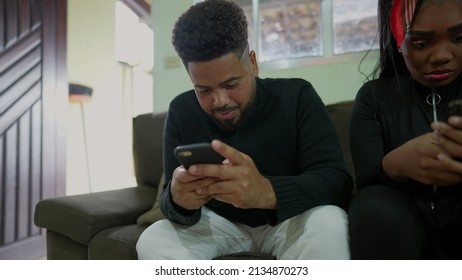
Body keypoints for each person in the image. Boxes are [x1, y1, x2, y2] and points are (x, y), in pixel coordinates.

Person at [136, 0, 352, 260]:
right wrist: (177, 199)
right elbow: (170, 201)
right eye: (204, 90)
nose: (220, 101)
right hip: (218, 225)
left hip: (288, 222)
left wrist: (266, 192)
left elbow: (336, 181)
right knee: (154, 238)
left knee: (329, 223)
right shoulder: (182, 110)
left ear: (253, 63)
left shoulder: (297, 96)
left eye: (231, 84)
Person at [349, 0, 462, 259]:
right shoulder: (374, 98)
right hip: (404, 222)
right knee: (371, 207)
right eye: (421, 43)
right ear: (398, 40)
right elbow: (367, 181)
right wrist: (395, 165)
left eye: (459, 38)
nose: (442, 56)